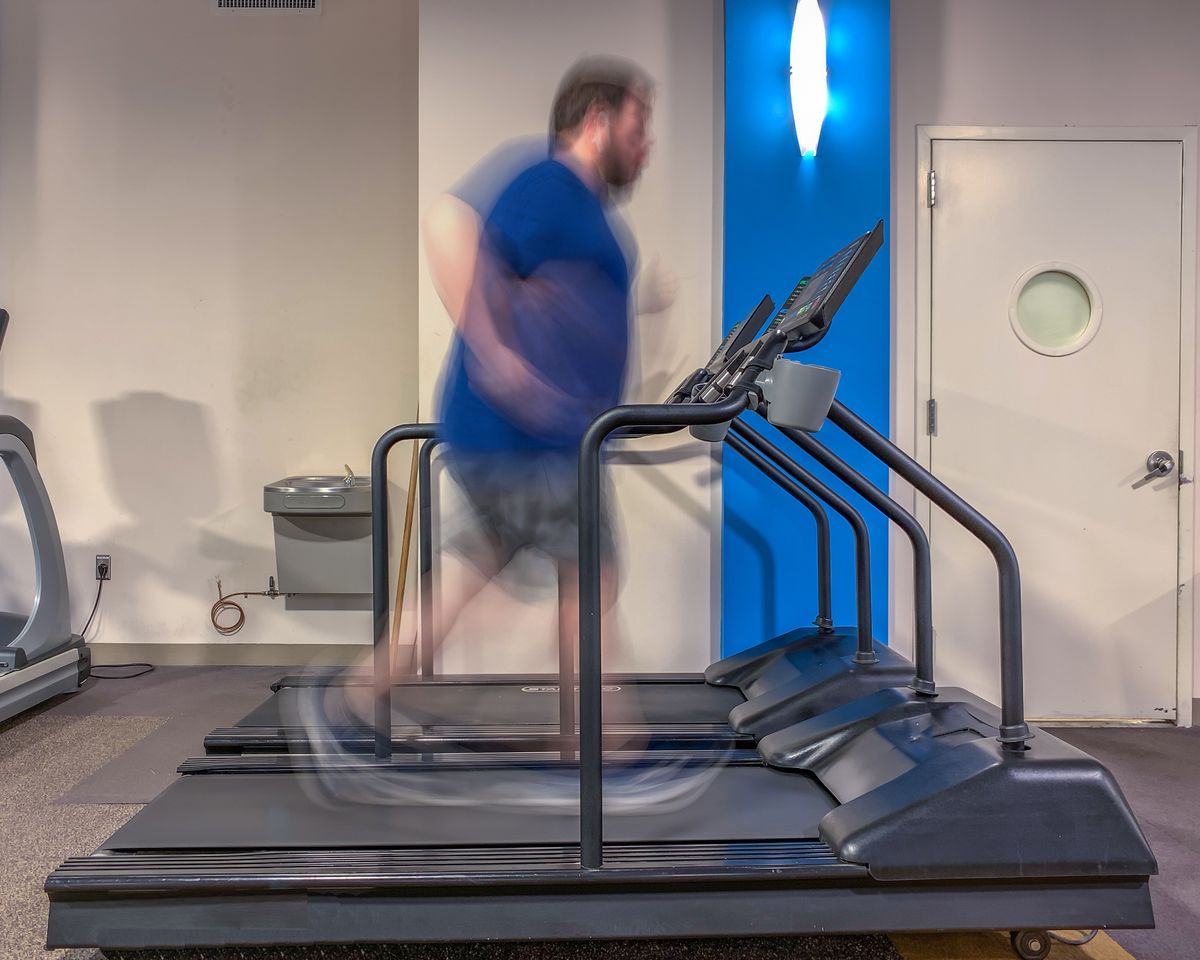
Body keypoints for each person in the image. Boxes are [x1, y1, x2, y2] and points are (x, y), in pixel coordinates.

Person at [419, 55, 657, 678]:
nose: (647, 145)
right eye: (639, 127)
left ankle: (358, 697)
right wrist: (493, 352)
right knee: (593, 580)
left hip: (538, 437)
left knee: (489, 573)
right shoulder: (550, 184)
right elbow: (446, 223)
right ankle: (595, 732)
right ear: (598, 122)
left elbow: (546, 297)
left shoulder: (580, 206)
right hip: (531, 440)